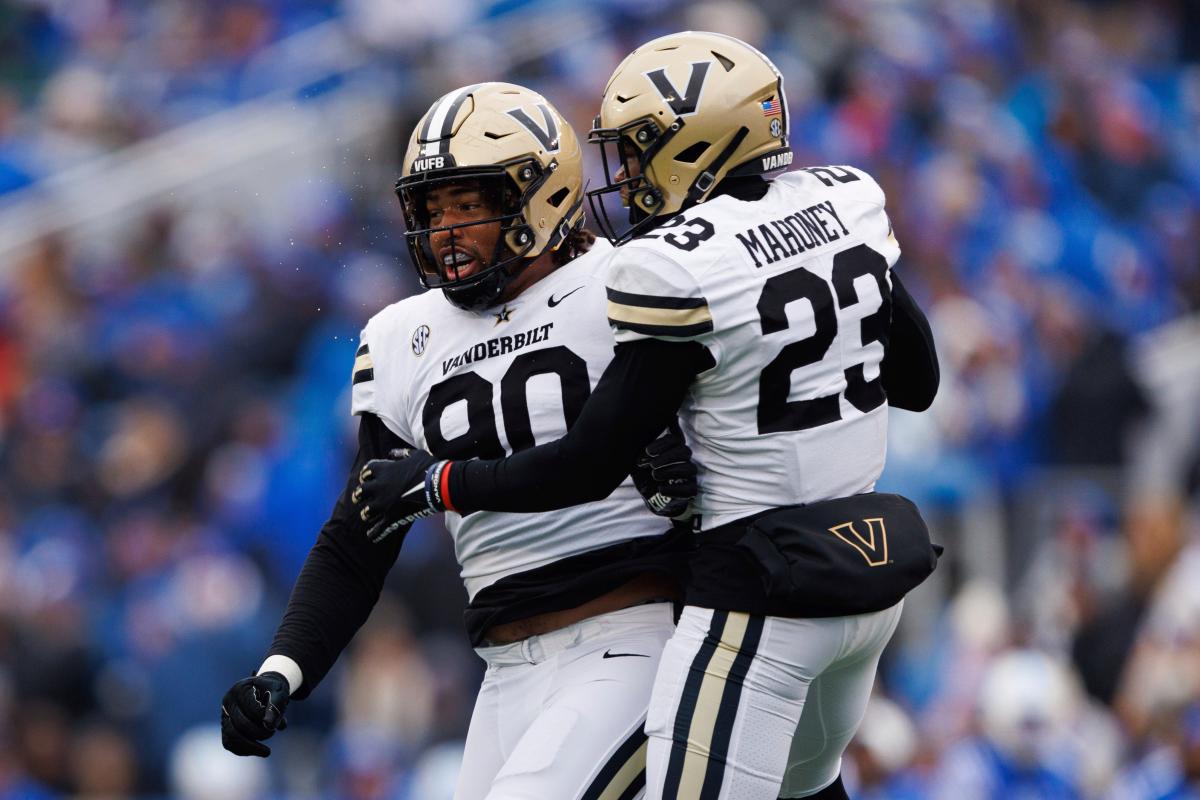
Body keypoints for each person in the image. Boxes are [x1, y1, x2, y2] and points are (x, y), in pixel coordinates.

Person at [359, 33, 942, 800]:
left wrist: (439, 483)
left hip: (759, 597)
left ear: (703, 140)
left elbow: (591, 460)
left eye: (639, 151)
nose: (626, 175)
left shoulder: (677, 264)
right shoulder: (842, 199)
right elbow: (919, 379)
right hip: (863, 574)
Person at [219, 82, 700, 800]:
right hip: (504, 675)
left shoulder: (627, 282)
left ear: (539, 194)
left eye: (468, 203)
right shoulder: (401, 337)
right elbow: (360, 533)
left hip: (631, 636)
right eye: (431, 207)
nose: (445, 228)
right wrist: (283, 670)